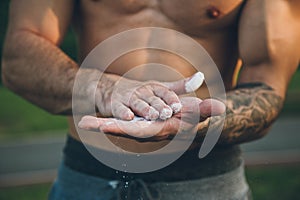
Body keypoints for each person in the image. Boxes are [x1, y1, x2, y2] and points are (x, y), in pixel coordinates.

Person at [2, 0, 299, 199]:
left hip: (205, 182)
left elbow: (267, 89)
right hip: (86, 176)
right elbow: (18, 57)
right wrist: (103, 89)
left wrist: (198, 121)